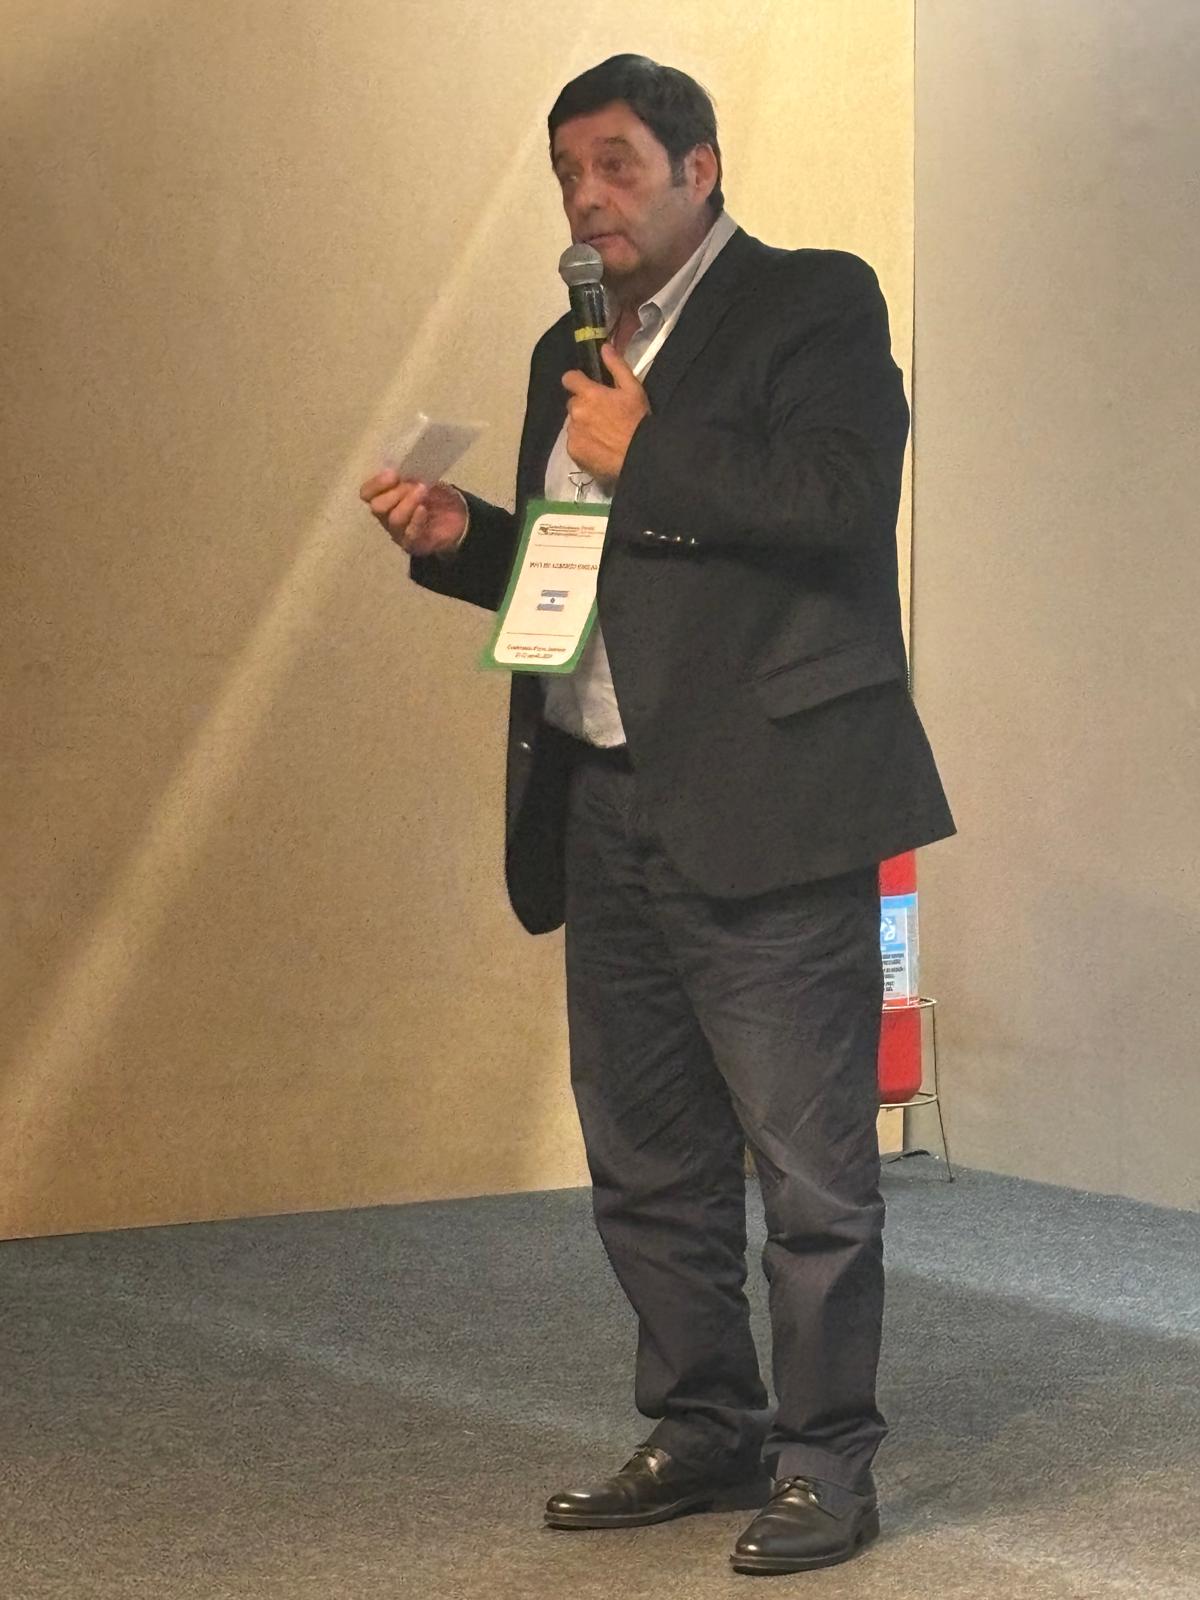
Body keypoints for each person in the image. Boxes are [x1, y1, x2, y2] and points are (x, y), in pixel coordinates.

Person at [360, 54, 953, 1578]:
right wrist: (462, 540)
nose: (586, 197)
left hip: (770, 805)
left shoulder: (813, 301)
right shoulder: (571, 353)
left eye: (616, 163)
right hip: (603, 798)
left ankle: (827, 1462)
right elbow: (584, 574)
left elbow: (838, 499)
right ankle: (704, 1425)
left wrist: (653, 451)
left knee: (809, 1172)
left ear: (701, 168)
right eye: (568, 171)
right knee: (646, 1160)